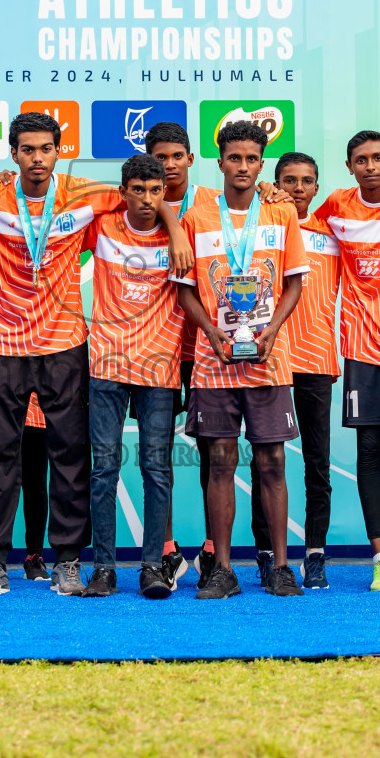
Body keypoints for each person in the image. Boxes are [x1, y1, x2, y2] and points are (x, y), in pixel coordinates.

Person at [0, 111, 190, 598]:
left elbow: (148, 196)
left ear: (58, 151)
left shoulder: (85, 194)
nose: (36, 158)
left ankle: (68, 560)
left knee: (70, 456)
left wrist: (175, 230)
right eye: (26, 150)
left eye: (45, 149)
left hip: (64, 345)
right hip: (2, 346)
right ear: (13, 154)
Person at [173, 120, 309, 600]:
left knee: (272, 461)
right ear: (221, 161)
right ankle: (223, 571)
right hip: (213, 360)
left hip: (269, 358)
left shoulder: (281, 214)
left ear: (262, 163)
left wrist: (271, 331)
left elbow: (294, 282)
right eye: (235, 158)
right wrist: (210, 332)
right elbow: (185, 290)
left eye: (253, 159)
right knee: (221, 462)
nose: (244, 167)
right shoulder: (198, 217)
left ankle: (281, 569)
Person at [83, 153, 183, 598]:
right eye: (137, 190)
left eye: (155, 190)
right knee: (103, 470)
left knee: (156, 470)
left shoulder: (186, 230)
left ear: (166, 191)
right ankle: (103, 567)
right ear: (122, 191)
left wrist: (174, 223)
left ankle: (151, 567)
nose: (146, 199)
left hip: (160, 368)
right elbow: (61, 204)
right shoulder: (100, 226)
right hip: (106, 364)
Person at [248, 151, 337, 589]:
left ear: (317, 187)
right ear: (274, 182)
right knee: (263, 465)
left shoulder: (333, 231)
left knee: (317, 466)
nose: (298, 187)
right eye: (289, 179)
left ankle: (315, 557)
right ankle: (266, 554)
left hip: (318, 361)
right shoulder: (261, 226)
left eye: (306, 180)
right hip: (270, 360)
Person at [145, 122, 221, 586]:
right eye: (161, 158)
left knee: (215, 449)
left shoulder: (218, 202)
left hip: (210, 348)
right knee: (159, 451)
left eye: (177, 156)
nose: (170, 165)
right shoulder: (135, 200)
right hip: (158, 347)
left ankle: (213, 546)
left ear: (191, 159)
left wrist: (273, 190)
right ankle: (167, 548)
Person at [19, 397, 51, 581]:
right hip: (4, 405)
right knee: (1, 482)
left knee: (36, 483)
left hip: (39, 408)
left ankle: (34, 556)